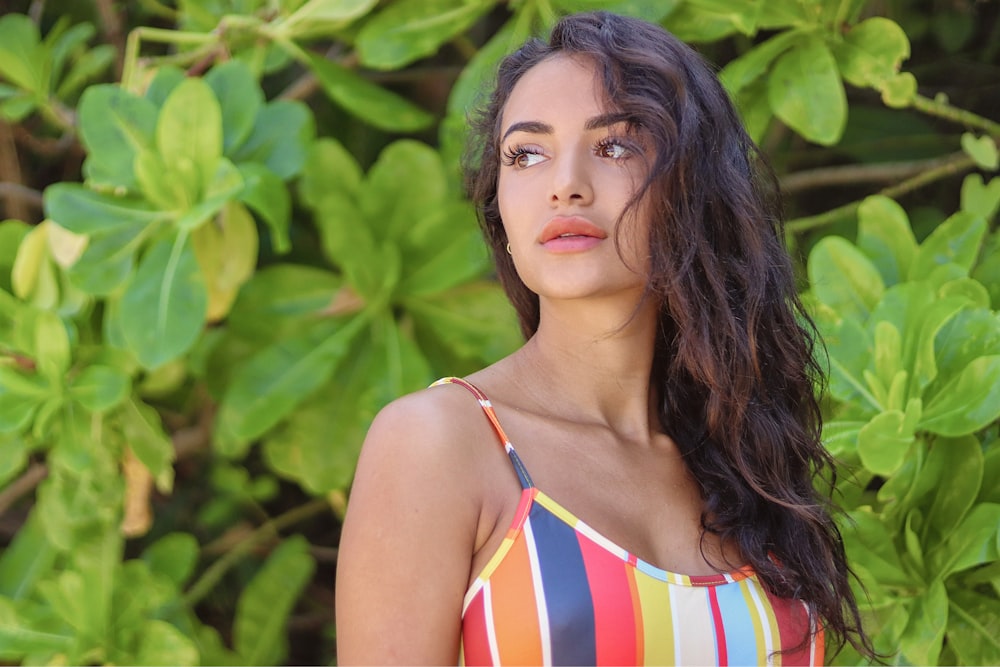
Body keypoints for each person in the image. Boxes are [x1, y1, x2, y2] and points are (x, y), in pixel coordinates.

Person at [335, 11, 873, 665]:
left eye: (615, 145)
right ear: (498, 204)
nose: (564, 183)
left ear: (690, 186)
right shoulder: (440, 442)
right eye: (526, 153)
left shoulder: (747, 463)